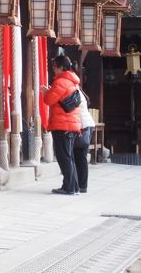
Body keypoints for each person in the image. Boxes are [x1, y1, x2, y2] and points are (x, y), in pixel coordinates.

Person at [41, 55, 82, 195]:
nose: (53, 69)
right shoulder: (72, 81)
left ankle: (70, 187)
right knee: (69, 156)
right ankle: (72, 186)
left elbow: (49, 100)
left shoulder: (61, 82)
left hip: (62, 124)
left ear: (60, 67)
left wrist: (46, 92)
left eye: (54, 66)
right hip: (71, 124)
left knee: (64, 157)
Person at [73, 89, 95, 193]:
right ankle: (82, 185)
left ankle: (82, 185)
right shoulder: (79, 91)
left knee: (80, 156)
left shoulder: (75, 90)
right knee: (81, 157)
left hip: (83, 125)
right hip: (86, 124)